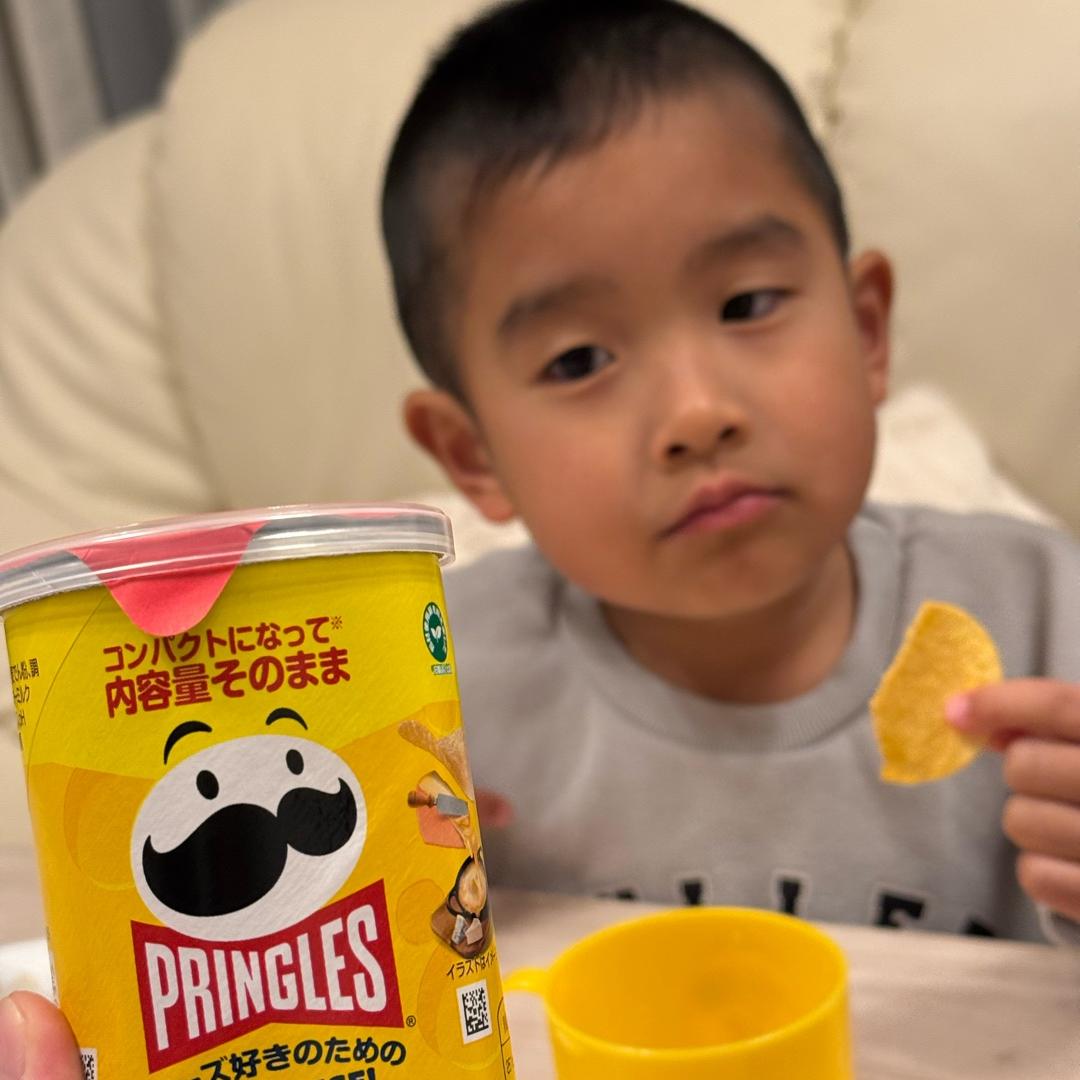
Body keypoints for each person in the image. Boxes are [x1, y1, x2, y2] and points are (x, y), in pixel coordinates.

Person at [5, 0, 1080, 1073]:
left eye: (748, 302)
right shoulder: (423, 694)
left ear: (868, 330)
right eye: (578, 362)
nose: (697, 412)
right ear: (471, 455)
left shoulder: (1042, 611)